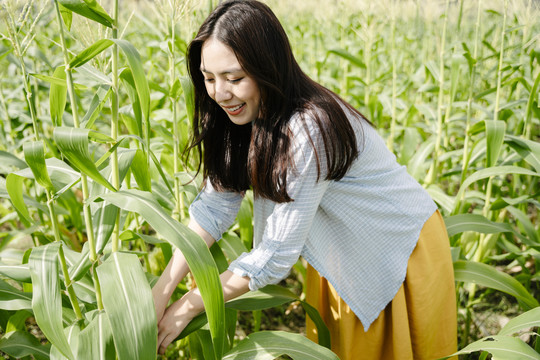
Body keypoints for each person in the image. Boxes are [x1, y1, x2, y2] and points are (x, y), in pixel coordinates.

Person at [152, 0, 457, 359]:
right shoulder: (238, 116)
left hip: (395, 250)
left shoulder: (308, 129)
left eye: (234, 79)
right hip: (338, 251)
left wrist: (187, 307)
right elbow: (214, 208)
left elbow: (275, 255)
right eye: (208, 78)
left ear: (269, 69)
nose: (219, 93)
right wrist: (160, 291)